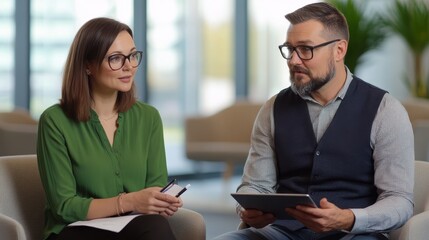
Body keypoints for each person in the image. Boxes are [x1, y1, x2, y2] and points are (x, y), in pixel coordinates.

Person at [214, 2, 414, 240]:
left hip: (354, 235)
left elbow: (399, 200)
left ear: (339, 50)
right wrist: (248, 210)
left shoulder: (385, 110)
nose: (294, 60)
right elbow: (255, 185)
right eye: (290, 49)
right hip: (281, 232)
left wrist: (350, 218)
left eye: (306, 49)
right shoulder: (272, 109)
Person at [37, 17, 182, 240]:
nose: (129, 66)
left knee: (155, 226)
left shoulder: (148, 117)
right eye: (115, 58)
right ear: (87, 66)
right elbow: (64, 206)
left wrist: (160, 201)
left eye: (133, 56)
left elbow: (155, 185)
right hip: (76, 230)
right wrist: (130, 201)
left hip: (134, 225)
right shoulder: (55, 121)